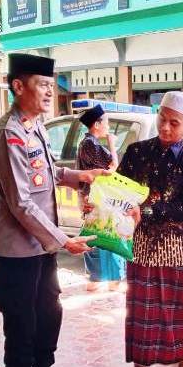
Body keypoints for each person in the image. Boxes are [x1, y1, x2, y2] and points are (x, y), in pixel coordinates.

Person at [0, 54, 109, 367]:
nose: (48, 93)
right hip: (17, 249)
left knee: (49, 311)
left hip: (40, 246)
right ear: (18, 86)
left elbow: (48, 172)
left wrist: (81, 176)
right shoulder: (8, 134)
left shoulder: (35, 126)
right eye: (41, 85)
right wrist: (63, 240)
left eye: (50, 86)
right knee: (22, 321)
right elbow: (21, 202)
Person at [116, 91, 183, 367]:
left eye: (174, 123)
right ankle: (139, 366)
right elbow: (119, 189)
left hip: (177, 245)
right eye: (162, 119)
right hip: (141, 243)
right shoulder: (137, 152)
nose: (165, 127)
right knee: (141, 309)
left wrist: (146, 211)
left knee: (179, 308)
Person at [77, 105, 126, 292]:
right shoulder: (91, 144)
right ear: (96, 124)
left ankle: (97, 279)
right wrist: (112, 143)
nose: (108, 126)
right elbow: (113, 167)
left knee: (97, 236)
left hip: (93, 197)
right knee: (107, 237)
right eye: (106, 122)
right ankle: (109, 280)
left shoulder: (86, 143)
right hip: (98, 199)